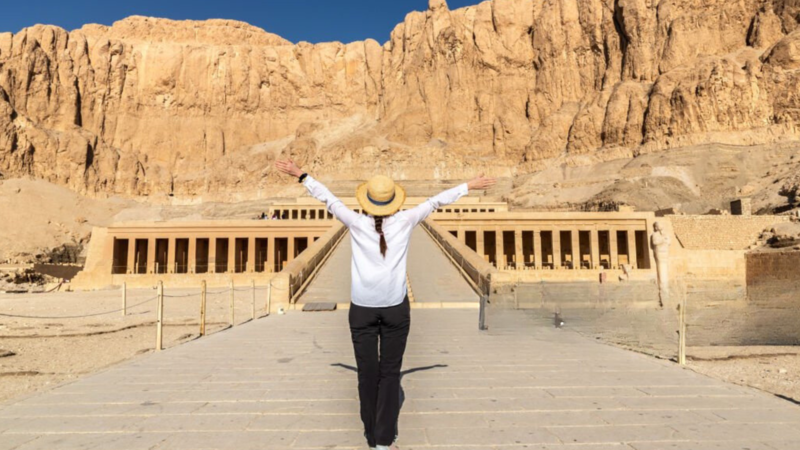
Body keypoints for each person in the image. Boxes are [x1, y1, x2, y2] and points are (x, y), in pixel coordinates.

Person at [275, 159, 495, 450]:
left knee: (367, 374)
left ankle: (370, 433)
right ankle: (383, 439)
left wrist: (302, 175)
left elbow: (328, 198)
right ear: (393, 203)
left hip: (362, 310)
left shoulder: (355, 221)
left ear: (366, 203)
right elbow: (436, 202)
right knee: (390, 374)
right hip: (395, 309)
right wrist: (469, 185)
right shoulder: (405, 220)